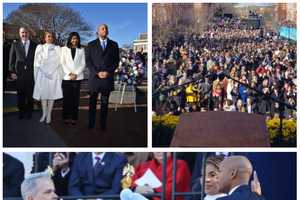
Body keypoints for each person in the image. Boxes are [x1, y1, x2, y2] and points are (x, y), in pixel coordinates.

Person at [85, 24, 120, 131]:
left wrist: (108, 72)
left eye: (106, 28)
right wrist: (97, 73)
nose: (105, 30)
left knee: (105, 103)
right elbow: (88, 61)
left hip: (107, 78)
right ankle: (91, 123)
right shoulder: (90, 44)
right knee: (92, 103)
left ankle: (102, 124)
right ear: (98, 31)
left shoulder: (114, 44)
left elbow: (116, 61)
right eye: (103, 28)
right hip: (94, 79)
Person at [33, 31, 63, 124]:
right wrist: (45, 72)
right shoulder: (40, 47)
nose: (50, 38)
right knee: (43, 96)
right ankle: (44, 114)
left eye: (51, 36)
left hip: (53, 75)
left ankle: (49, 114)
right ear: (45, 38)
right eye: (48, 36)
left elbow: (59, 61)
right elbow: (37, 61)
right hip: (42, 75)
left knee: (51, 96)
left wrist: (52, 71)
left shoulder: (57, 48)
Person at [9, 27, 37, 119]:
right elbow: (11, 60)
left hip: (30, 74)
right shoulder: (15, 44)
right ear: (19, 33)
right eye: (22, 32)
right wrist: (12, 72)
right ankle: (21, 111)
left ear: (28, 33)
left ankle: (29, 111)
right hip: (18, 74)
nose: (24, 34)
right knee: (20, 94)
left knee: (30, 94)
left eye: (25, 32)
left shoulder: (35, 45)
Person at [61, 32, 86, 125]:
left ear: (78, 39)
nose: (74, 40)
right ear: (70, 39)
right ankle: (66, 117)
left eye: (76, 38)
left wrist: (75, 74)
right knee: (67, 99)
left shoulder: (81, 50)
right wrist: (70, 73)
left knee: (75, 99)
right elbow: (62, 63)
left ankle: (74, 118)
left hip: (77, 77)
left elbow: (83, 64)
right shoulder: (63, 49)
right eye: (73, 38)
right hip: (67, 78)